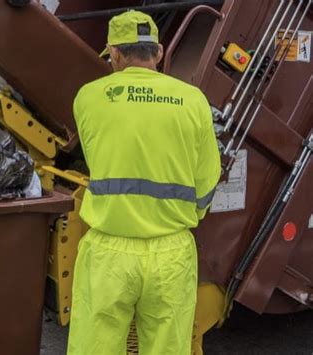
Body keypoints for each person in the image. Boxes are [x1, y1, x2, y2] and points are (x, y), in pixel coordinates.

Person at [67, 10, 221, 355]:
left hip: (109, 252)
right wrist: (185, 214)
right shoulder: (194, 100)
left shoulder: (89, 97)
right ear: (160, 52)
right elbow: (208, 178)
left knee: (96, 347)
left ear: (115, 53)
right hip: (171, 253)